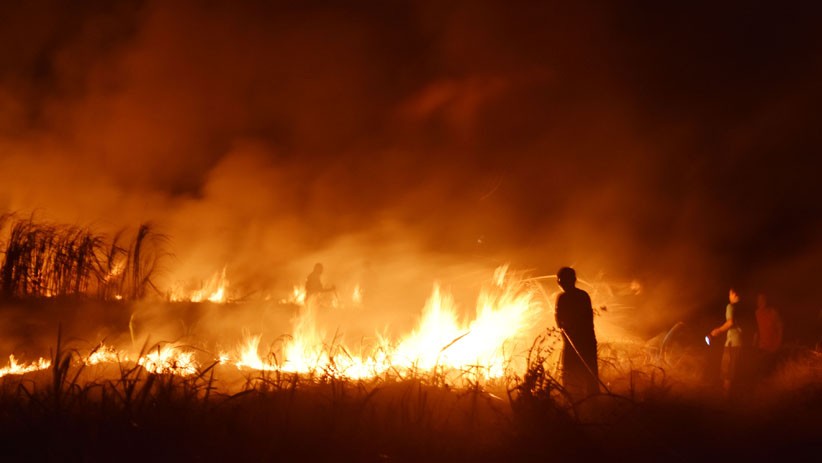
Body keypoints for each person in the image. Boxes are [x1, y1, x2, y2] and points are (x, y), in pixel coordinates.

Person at [554, 267, 599, 398]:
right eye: (560, 281)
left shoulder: (572, 297)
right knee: (574, 376)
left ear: (573, 280)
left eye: (564, 280)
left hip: (583, 342)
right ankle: (576, 401)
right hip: (577, 342)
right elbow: (559, 320)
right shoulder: (580, 296)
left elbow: (586, 320)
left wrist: (572, 334)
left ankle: (592, 403)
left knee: (587, 376)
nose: (562, 283)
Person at [710, 288, 745, 398]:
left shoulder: (730, 306)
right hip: (740, 343)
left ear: (733, 294)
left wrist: (718, 331)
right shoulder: (744, 308)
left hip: (731, 344)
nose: (729, 296)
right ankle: (735, 399)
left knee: (727, 373)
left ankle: (725, 399)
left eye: (730, 294)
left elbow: (730, 322)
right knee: (736, 371)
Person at [754, 293, 783, 376]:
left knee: (771, 372)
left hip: (772, 347)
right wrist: (754, 345)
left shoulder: (772, 312)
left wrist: (778, 343)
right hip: (761, 347)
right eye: (759, 300)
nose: (761, 302)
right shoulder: (756, 313)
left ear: (766, 300)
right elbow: (756, 330)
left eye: (762, 299)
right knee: (761, 371)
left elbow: (780, 327)